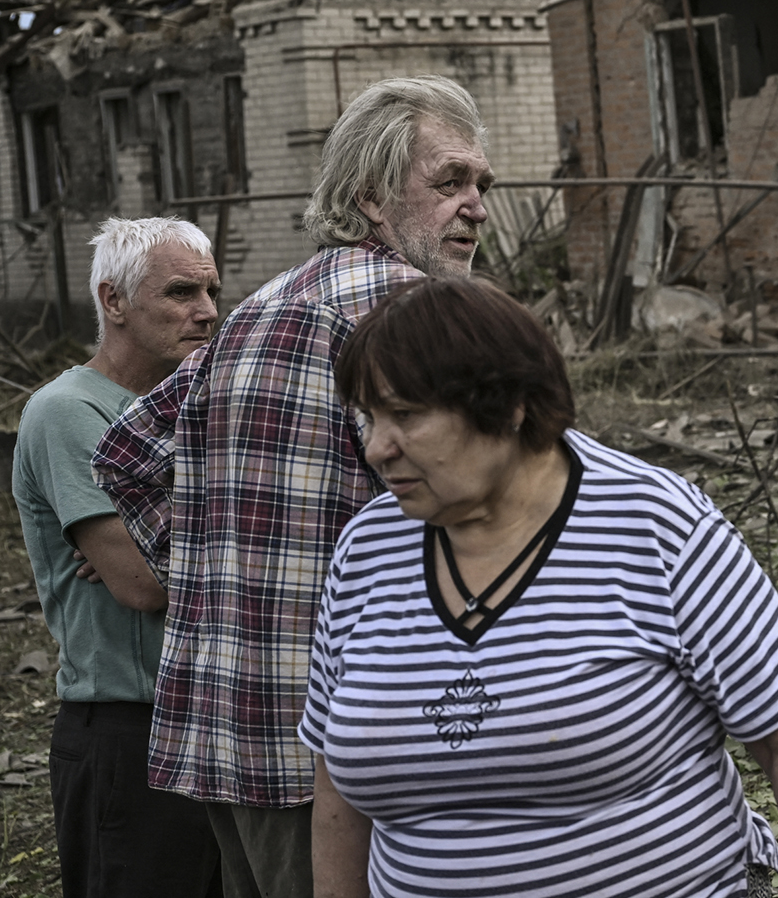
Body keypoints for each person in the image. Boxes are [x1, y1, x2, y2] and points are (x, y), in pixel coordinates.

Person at [305, 276, 778, 898]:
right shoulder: (366, 548)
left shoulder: (657, 525)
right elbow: (337, 783)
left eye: (406, 415)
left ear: (509, 404)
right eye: (369, 417)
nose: (378, 447)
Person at [94, 76, 497, 898]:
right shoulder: (412, 312)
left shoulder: (261, 305)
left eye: (483, 184)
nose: (477, 207)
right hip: (345, 755)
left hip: (222, 724)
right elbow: (502, 525)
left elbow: (126, 451)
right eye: (450, 181)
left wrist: (207, 566)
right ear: (372, 198)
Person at [14, 217, 224, 897]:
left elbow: (158, 560)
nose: (207, 311)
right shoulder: (69, 411)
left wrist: (164, 527)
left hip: (214, 723)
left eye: (212, 291)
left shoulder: (202, 405)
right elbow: (142, 581)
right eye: (181, 292)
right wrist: (216, 543)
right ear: (114, 302)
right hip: (128, 734)